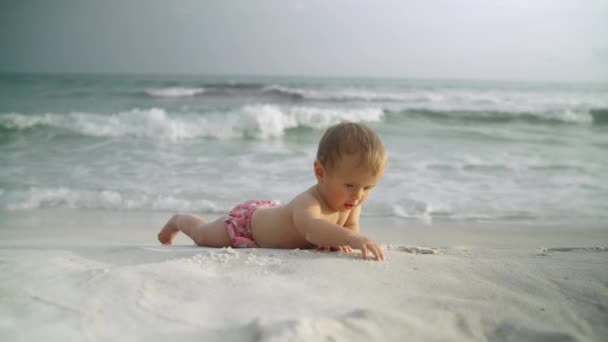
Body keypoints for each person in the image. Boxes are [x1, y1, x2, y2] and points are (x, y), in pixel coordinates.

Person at [157, 122, 387, 261]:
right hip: (248, 226)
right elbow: (312, 230)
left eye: (368, 187)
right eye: (349, 185)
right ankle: (178, 220)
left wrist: (345, 239)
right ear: (320, 172)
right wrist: (353, 239)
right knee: (203, 236)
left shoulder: (352, 203)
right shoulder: (309, 203)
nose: (358, 195)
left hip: (274, 214)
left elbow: (349, 226)